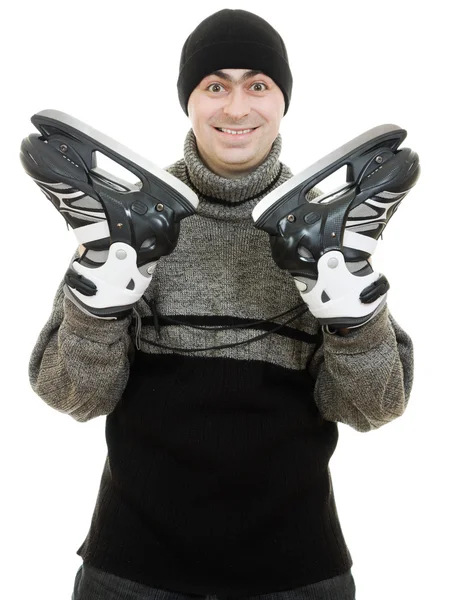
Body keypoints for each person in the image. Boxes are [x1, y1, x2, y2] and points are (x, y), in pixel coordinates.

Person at [28, 9, 414, 600]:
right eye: (215, 86)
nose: (236, 109)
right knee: (113, 274)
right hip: (132, 570)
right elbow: (73, 395)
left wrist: (352, 317)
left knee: (338, 282)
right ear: (189, 100)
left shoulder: (329, 232)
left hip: (297, 572)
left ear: (283, 100)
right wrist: (98, 306)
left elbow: (370, 407)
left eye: (258, 84)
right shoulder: (126, 226)